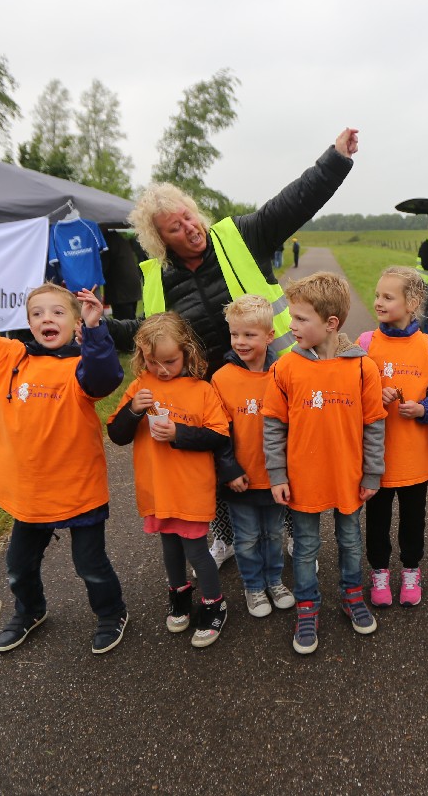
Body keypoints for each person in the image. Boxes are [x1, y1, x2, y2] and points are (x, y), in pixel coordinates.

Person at [109, 128, 360, 568]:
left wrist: (335, 159)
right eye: (175, 228)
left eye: (189, 217)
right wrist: (98, 327)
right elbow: (146, 329)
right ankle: (225, 536)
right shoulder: (158, 278)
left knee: (284, 449)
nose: (190, 228)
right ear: (161, 240)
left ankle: (293, 529)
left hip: (278, 373)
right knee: (223, 458)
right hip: (214, 386)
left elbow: (294, 202)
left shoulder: (240, 236)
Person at [0, 237, 128, 654]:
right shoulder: (6, 357)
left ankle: (111, 612)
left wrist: (96, 330)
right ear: (28, 321)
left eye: (58, 312)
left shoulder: (82, 365)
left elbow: (105, 378)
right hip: (27, 491)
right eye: (38, 313)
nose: (47, 318)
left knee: (90, 566)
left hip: (78, 488)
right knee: (18, 567)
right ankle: (30, 610)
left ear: (75, 322)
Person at [262, 272, 387, 654]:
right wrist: (277, 474)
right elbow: (273, 425)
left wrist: (372, 472)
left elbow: (374, 424)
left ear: (331, 323)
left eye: (301, 319)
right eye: (292, 317)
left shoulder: (363, 368)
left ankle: (352, 595)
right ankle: (307, 606)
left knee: (350, 541)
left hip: (349, 477)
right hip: (304, 479)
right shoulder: (284, 368)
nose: (291, 325)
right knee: (305, 547)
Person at [106, 314, 232, 647]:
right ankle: (179, 596)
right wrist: (133, 411)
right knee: (170, 546)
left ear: (187, 352)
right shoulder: (140, 387)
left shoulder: (201, 390)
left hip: (190, 489)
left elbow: (219, 435)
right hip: (157, 488)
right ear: (142, 356)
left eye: (170, 361)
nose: (161, 370)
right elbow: (117, 434)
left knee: (196, 549)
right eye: (152, 361)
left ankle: (214, 603)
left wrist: (180, 434)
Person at [356, 266, 428, 608]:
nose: (378, 302)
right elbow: (351, 391)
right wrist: (374, 397)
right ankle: (379, 571)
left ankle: (411, 569)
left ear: (412, 303)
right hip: (376, 459)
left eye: (387, 297)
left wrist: (423, 409)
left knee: (413, 519)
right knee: (377, 521)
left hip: (414, 459)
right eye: (377, 295)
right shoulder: (365, 343)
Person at [211, 294, 295, 618]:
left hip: (275, 478)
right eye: (235, 334)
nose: (240, 341)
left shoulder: (283, 373)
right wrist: (230, 470)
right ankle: (253, 586)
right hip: (241, 479)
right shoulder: (221, 379)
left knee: (273, 535)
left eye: (249, 334)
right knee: (246, 539)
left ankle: (274, 581)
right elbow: (219, 433)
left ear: (269, 335)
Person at [101, 228, 144, 321]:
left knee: (124, 322)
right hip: (131, 287)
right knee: (131, 320)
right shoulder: (119, 237)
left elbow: (104, 265)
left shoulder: (107, 240)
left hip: (121, 291)